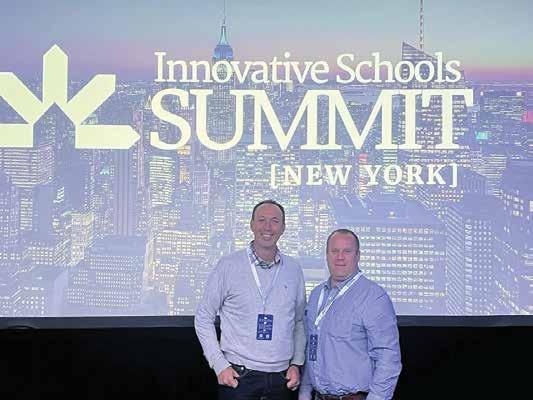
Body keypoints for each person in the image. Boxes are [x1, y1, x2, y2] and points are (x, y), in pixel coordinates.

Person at [195, 200, 306, 400]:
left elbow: (298, 321)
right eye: (261, 220)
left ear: (283, 228)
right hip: (239, 376)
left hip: (281, 379)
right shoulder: (228, 266)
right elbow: (203, 317)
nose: (268, 227)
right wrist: (219, 364)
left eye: (275, 221)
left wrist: (296, 363)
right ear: (251, 224)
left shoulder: (293, 269)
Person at [299, 229, 401, 400]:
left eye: (347, 251)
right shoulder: (317, 294)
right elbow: (312, 348)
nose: (340, 257)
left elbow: (388, 358)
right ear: (327, 255)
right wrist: (304, 393)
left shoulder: (374, 297)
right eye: (334, 251)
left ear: (358, 255)